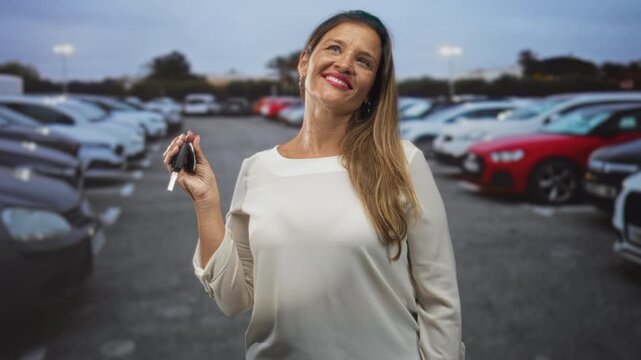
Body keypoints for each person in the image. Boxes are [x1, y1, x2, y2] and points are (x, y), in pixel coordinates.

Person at [163, 10, 465, 360]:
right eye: (334, 48)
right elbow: (234, 298)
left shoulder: (402, 162)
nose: (345, 63)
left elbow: (440, 299)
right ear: (305, 62)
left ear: (372, 88)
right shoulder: (257, 169)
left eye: (364, 61)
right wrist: (206, 202)